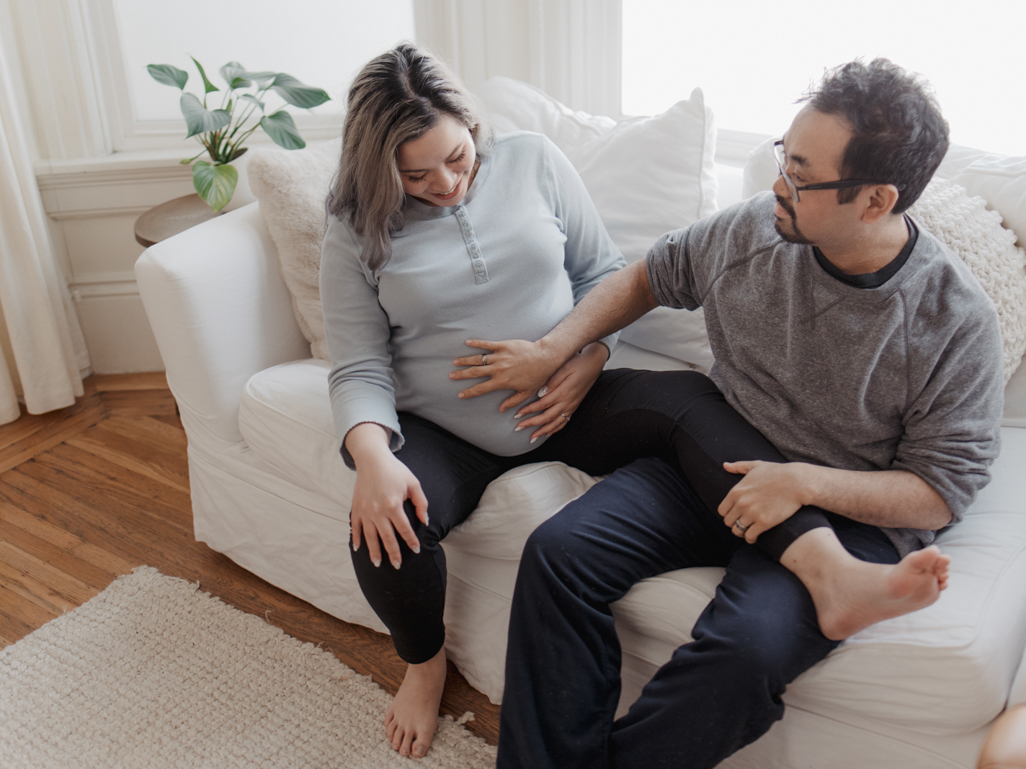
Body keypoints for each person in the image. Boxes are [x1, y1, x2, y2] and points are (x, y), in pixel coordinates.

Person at [463, 59, 1005, 768]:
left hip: (849, 515)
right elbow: (649, 275)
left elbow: (939, 489)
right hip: (713, 462)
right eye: (786, 155)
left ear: (875, 201)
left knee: (744, 652)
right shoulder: (756, 230)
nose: (779, 183)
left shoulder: (953, 320)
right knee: (558, 554)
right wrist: (557, 346)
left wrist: (803, 483)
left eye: (803, 175)